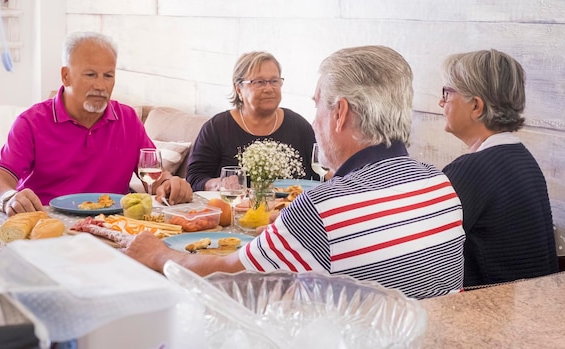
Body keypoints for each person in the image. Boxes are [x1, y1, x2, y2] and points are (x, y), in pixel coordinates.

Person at [127, 46, 466, 300]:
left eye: (318, 104)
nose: (314, 118)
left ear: (340, 113)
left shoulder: (321, 207)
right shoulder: (440, 185)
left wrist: (158, 253)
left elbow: (223, 274)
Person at [0, 31, 193, 216]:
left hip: (113, 228)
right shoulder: (30, 122)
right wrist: (8, 198)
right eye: (90, 75)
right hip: (47, 225)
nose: (100, 85)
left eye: (108, 76)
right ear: (65, 76)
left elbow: (154, 178)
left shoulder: (128, 120)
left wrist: (168, 184)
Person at [439, 49, 558, 287]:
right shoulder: (522, 157)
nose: (441, 101)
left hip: (491, 314)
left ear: (476, 107)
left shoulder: (470, 171)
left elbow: (426, 257)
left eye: (447, 92)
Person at [185, 51, 317, 191]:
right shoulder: (217, 128)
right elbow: (194, 178)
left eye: (274, 81)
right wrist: (218, 184)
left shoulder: (298, 126)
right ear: (239, 90)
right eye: (259, 82)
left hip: (291, 210)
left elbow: (319, 175)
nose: (269, 89)